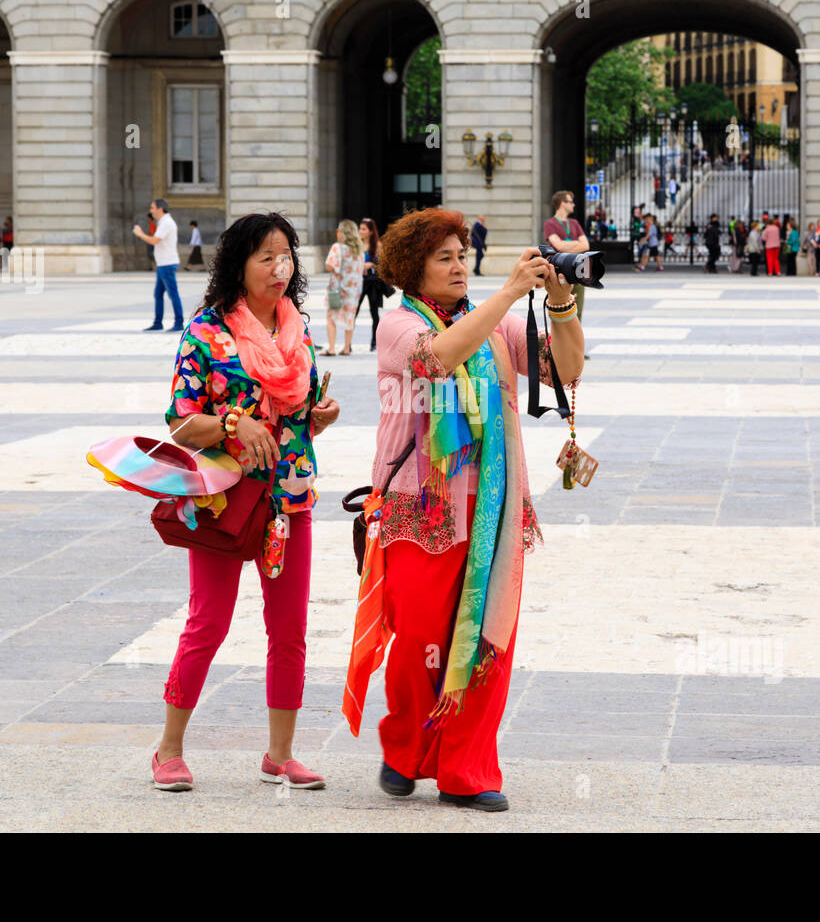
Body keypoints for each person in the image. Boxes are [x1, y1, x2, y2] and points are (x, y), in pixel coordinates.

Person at [363, 208, 584, 812]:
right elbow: (438, 359)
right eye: (445, 257)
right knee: (417, 639)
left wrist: (561, 305)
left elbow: (565, 371)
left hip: (492, 505)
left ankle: (467, 769)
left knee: (490, 638)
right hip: (420, 507)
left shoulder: (499, 324)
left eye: (463, 255)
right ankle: (405, 746)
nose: (460, 266)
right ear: (414, 269)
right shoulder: (398, 325)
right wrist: (510, 290)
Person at [152, 211, 340, 792]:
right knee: (208, 623)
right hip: (224, 503)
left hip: (290, 499)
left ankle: (280, 754)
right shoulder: (206, 332)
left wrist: (319, 417)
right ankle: (168, 750)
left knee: (289, 630)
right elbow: (180, 427)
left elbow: (293, 417)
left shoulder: (297, 330)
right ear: (240, 264)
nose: (280, 268)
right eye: (267, 257)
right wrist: (234, 421)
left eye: (286, 256)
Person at [543, 190, 591, 325]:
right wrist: (576, 243)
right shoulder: (550, 224)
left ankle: (574, 343)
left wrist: (566, 245)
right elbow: (558, 245)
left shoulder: (574, 223)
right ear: (563, 204)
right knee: (560, 310)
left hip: (579, 270)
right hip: (560, 274)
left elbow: (586, 245)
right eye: (571, 202)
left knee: (578, 311)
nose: (574, 205)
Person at [135, 199, 182, 332]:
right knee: (158, 294)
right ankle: (158, 322)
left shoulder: (166, 223)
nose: (151, 211)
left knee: (173, 294)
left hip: (167, 263)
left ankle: (178, 322)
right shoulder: (163, 222)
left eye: (152, 208)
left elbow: (154, 241)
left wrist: (140, 234)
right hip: (163, 263)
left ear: (160, 209)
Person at [324, 218, 364, 356]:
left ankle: (331, 348)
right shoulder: (359, 250)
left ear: (341, 232)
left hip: (338, 290)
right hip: (353, 291)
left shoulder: (337, 247)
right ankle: (346, 348)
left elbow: (329, 265)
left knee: (331, 317)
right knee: (350, 318)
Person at [357, 216, 387, 351]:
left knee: (374, 313)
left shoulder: (378, 245)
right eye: (360, 228)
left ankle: (374, 342)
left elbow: (384, 265)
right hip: (359, 281)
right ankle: (348, 344)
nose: (360, 231)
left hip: (373, 283)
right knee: (354, 311)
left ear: (370, 231)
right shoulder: (357, 245)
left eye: (363, 229)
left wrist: (371, 265)